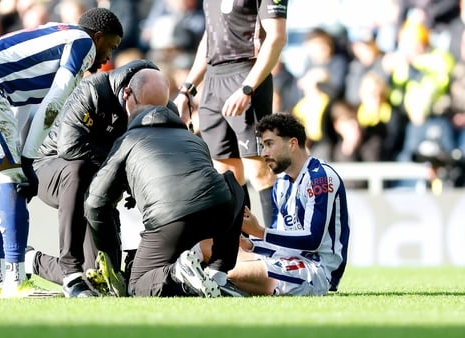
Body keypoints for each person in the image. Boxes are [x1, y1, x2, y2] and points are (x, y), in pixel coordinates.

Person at [0, 7, 124, 299]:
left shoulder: (57, 33)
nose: (109, 57)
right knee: (12, 178)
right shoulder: (83, 43)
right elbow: (53, 104)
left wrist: (21, 153)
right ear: (98, 37)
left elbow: (18, 102)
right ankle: (16, 281)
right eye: (110, 46)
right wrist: (29, 159)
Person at [25, 60, 172, 298]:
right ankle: (71, 270)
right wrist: (125, 163)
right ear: (127, 94)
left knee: (103, 282)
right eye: (141, 112)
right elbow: (69, 147)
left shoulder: (158, 101)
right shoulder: (93, 90)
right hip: (50, 167)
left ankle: (31, 260)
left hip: (99, 188)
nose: (146, 119)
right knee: (78, 169)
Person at [84, 101, 246, 298]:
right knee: (230, 182)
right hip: (220, 209)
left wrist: (108, 257)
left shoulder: (128, 139)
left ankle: (178, 272)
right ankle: (218, 275)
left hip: (170, 216)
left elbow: (94, 203)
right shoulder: (193, 138)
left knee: (137, 285)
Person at [201, 113, 350, 296]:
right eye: (263, 146)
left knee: (223, 270)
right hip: (285, 260)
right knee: (207, 245)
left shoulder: (320, 178)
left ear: (292, 144)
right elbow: (282, 243)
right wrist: (251, 244)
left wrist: (260, 232)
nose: (264, 153)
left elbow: (313, 240)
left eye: (269, 144)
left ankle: (215, 285)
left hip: (315, 270)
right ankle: (219, 283)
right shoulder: (281, 183)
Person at [173, 0, 288, 226]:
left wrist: (248, 88)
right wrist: (187, 90)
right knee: (226, 173)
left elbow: (276, 37)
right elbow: (210, 37)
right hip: (213, 79)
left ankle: (279, 247)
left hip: (246, 72)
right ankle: (240, 250)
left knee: (259, 169)